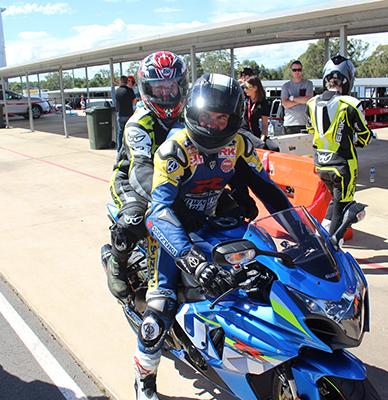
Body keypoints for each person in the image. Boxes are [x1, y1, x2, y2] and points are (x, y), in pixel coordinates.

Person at [133, 73, 292, 400]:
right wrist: (192, 261)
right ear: (193, 111)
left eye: (223, 118)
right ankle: (144, 382)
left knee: (267, 272)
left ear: (234, 119)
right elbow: (158, 211)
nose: (214, 125)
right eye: (207, 116)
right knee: (159, 309)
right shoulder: (174, 150)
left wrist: (298, 230)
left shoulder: (240, 144)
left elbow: (269, 191)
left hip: (215, 219)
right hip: (172, 230)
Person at [106, 51, 189, 299]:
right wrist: (173, 203)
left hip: (176, 179)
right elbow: (140, 168)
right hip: (131, 180)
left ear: (181, 86)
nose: (165, 94)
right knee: (134, 219)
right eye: (158, 87)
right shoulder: (138, 123)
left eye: (171, 86)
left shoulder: (189, 115)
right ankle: (117, 264)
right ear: (146, 89)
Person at [306, 55, 372, 236]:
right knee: (343, 208)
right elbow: (365, 137)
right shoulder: (351, 103)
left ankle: (323, 237)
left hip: (321, 163)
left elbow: (310, 129)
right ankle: (330, 248)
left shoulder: (311, 103)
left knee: (335, 204)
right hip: (343, 164)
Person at [241, 75, 279, 151]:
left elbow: (265, 124)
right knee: (261, 145)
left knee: (274, 148)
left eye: (248, 87)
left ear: (255, 88)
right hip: (243, 130)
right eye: (244, 87)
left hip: (255, 131)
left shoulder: (263, 103)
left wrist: (263, 137)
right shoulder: (243, 99)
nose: (245, 89)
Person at [281, 60, 313, 134]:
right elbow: (285, 104)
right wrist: (301, 99)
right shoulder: (286, 86)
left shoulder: (308, 83)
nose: (297, 72)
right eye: (294, 70)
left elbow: (308, 99)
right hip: (289, 124)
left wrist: (293, 98)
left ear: (302, 71)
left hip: (304, 123)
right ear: (291, 71)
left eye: (299, 70)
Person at [115, 75, 137, 149]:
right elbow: (134, 100)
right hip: (129, 114)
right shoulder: (130, 90)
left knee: (120, 132)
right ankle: (128, 147)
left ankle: (119, 148)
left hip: (120, 114)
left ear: (120, 82)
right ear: (127, 82)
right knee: (129, 132)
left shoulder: (117, 91)